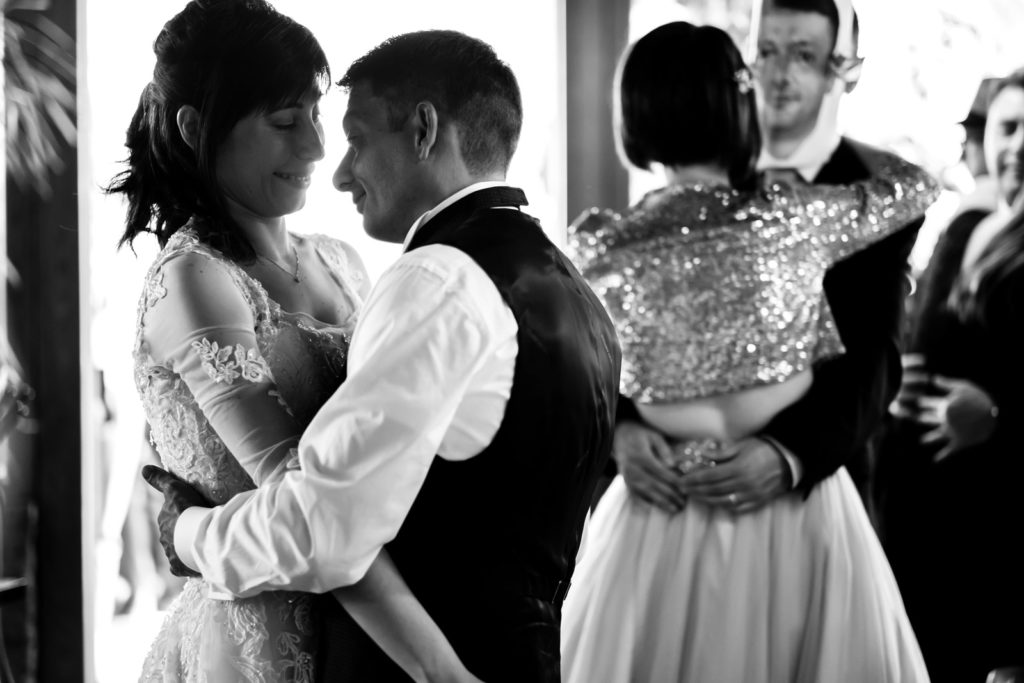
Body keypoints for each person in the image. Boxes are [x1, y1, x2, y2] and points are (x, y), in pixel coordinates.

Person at [142, 29, 621, 683]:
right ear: (198, 129)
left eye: (350, 135)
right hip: (282, 639)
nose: (328, 159)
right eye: (290, 121)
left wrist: (188, 533)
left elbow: (324, 522)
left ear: (423, 130)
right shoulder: (573, 295)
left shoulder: (421, 278)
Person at [111, 2, 485, 680]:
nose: (316, 148)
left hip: (372, 623)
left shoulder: (342, 259)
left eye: (317, 115)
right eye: (286, 123)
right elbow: (312, 506)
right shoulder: (197, 279)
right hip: (263, 637)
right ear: (197, 130)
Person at [559, 21, 936, 682]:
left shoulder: (599, 242)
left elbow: (584, 372)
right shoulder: (794, 215)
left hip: (667, 516)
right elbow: (914, 186)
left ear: (632, 118)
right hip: (797, 528)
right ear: (742, 101)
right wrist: (620, 432)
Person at [610, 0, 922, 526]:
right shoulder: (692, 162)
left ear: (843, 70)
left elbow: (876, 358)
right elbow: (626, 338)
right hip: (676, 496)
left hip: (809, 491)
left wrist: (789, 454)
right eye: (767, 53)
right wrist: (620, 429)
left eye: (803, 56)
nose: (778, 76)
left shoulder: (867, 195)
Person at [877, 67, 1024, 683]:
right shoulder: (975, 223)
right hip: (922, 522)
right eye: (1008, 127)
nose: (1014, 144)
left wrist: (998, 416)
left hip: (993, 531)